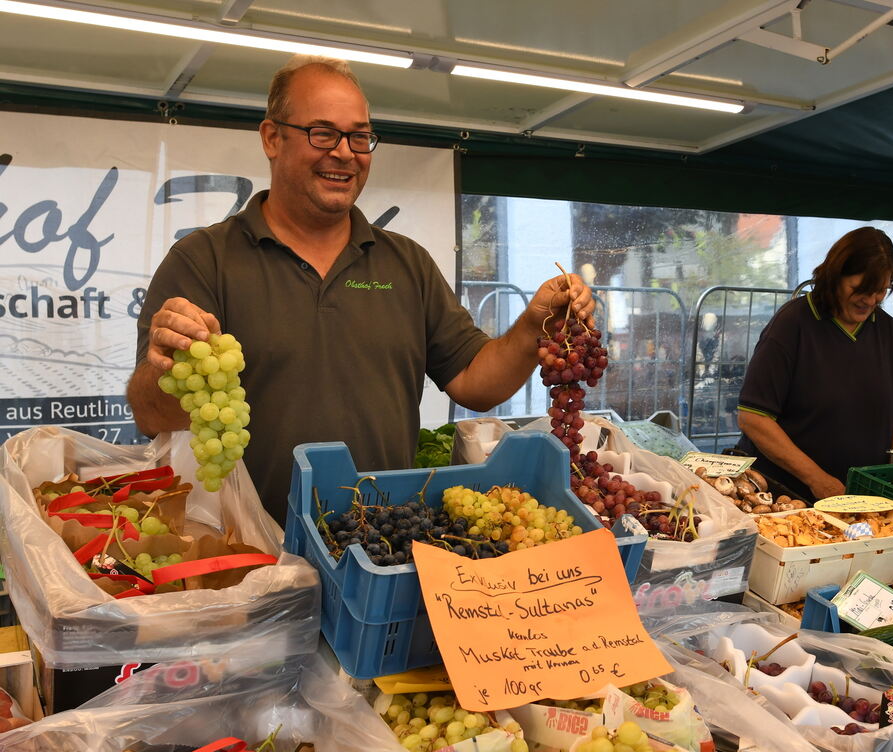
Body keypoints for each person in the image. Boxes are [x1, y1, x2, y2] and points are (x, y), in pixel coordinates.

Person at [127, 55, 593, 523]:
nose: (345, 153)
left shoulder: (407, 263)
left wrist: (537, 327)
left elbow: (475, 382)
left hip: (379, 547)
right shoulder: (203, 260)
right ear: (272, 137)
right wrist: (169, 365)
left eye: (359, 136)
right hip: (251, 554)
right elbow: (149, 414)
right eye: (323, 133)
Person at [735, 227, 893, 502]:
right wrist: (817, 479)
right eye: (861, 290)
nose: (871, 301)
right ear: (835, 275)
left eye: (881, 291)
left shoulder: (889, 332)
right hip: (787, 498)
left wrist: (891, 479)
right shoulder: (792, 324)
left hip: (861, 499)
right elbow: (754, 417)